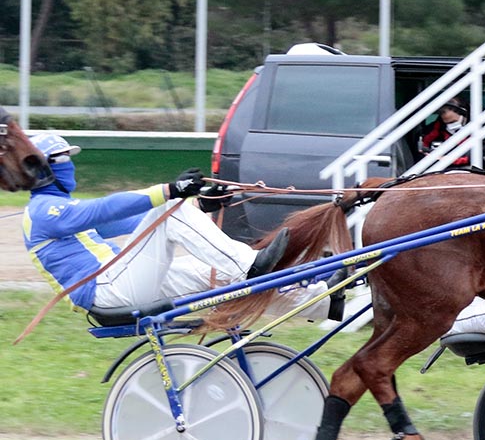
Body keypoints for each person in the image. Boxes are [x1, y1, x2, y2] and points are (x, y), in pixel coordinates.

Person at [22, 133, 336, 321]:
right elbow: (105, 207)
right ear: (42, 169)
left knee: (212, 272)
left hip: (120, 281)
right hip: (107, 291)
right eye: (61, 159)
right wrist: (171, 190)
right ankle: (251, 267)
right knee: (171, 210)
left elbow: (139, 223)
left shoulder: (63, 209)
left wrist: (202, 204)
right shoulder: (43, 211)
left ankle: (328, 302)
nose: (69, 164)